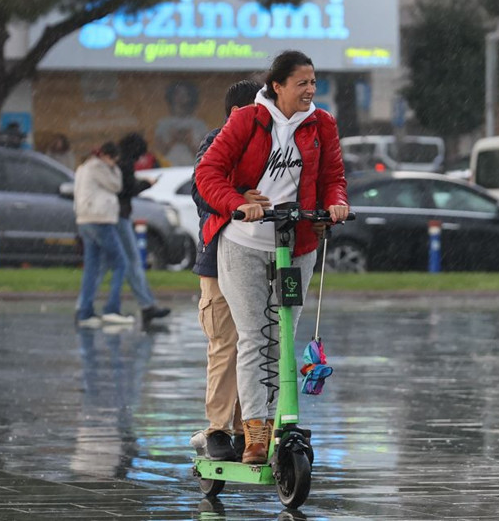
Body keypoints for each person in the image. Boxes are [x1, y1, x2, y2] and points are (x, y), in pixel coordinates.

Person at [196, 50, 349, 464]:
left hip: (296, 244)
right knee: (252, 337)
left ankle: (283, 422)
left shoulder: (322, 124)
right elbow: (207, 174)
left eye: (314, 82)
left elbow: (334, 176)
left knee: (283, 337)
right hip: (244, 243)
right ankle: (256, 434)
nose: (311, 90)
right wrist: (236, 203)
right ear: (277, 86)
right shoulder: (247, 119)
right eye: (302, 83)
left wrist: (335, 203)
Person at [189, 80, 263, 461]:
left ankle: (245, 428)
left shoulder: (272, 142)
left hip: (259, 257)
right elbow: (202, 189)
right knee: (226, 344)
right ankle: (219, 428)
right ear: (239, 112)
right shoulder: (217, 141)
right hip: (218, 259)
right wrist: (237, 199)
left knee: (256, 344)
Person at [110, 132, 172, 324]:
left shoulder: (116, 162)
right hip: (120, 217)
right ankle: (145, 305)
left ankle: (143, 305)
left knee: (114, 264)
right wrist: (147, 184)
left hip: (113, 216)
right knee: (132, 262)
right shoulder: (125, 165)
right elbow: (128, 189)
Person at [73, 142, 135, 327]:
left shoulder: (83, 167)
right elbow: (116, 185)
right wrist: (114, 168)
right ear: (108, 156)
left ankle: (85, 312)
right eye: (114, 159)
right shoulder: (98, 167)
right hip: (100, 220)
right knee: (120, 263)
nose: (115, 163)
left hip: (85, 220)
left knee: (92, 268)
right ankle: (111, 309)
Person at [155, 81, 210, 166]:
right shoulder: (163, 124)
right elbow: (159, 154)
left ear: (191, 98)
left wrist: (189, 141)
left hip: (192, 169)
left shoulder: (200, 125)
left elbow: (206, 155)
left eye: (185, 94)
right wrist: (173, 139)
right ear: (171, 97)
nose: (181, 98)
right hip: (167, 169)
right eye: (177, 94)